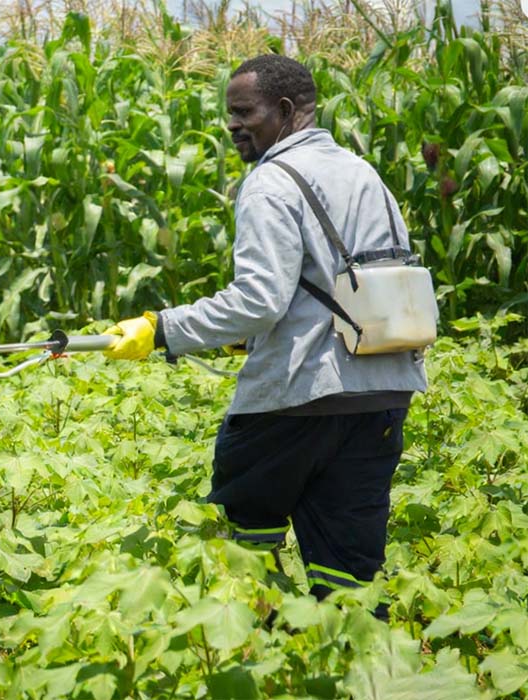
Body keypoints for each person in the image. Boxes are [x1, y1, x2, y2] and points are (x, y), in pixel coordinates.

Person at [103, 54, 428, 618]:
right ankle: (357, 670)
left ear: (282, 110)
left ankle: (257, 663)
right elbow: (360, 280)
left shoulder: (270, 182)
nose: (231, 126)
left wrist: (162, 329)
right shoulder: (363, 173)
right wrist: (247, 334)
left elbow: (259, 299)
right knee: (349, 573)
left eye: (242, 112)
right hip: (381, 395)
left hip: (294, 402)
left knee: (242, 558)